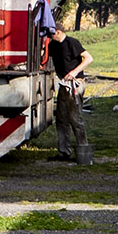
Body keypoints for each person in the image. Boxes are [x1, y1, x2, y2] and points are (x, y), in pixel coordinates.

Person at [49, 21, 91, 163]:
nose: (49, 36)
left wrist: (74, 72)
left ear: (58, 32)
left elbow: (88, 58)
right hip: (63, 84)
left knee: (75, 118)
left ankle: (83, 151)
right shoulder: (53, 45)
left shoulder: (72, 42)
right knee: (61, 119)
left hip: (75, 83)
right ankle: (64, 152)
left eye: (51, 33)